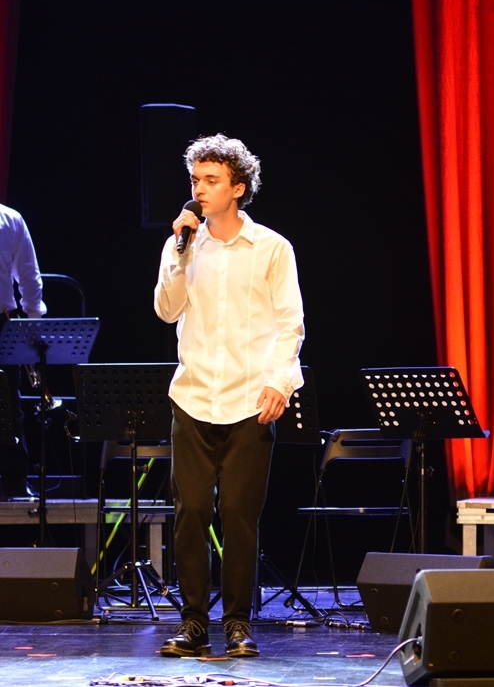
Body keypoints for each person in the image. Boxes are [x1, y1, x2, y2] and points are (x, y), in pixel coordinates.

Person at [154, 134, 304, 658]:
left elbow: (290, 324)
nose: (199, 189)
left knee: (239, 514)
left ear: (238, 188)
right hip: (194, 396)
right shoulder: (182, 244)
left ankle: (238, 623)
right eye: (195, 179)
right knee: (191, 511)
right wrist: (179, 254)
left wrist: (281, 381)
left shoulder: (271, 249)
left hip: (248, 400)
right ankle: (194, 622)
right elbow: (166, 311)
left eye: (211, 180)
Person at [0, 203, 46, 501]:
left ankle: (15, 481)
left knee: (8, 405)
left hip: (1, 323)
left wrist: (33, 324)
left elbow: (29, 274)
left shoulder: (10, 219)